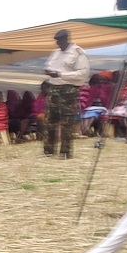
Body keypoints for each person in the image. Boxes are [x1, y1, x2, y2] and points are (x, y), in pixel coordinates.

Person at [42, 29, 90, 158]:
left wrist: (60, 74)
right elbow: (49, 65)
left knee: (66, 122)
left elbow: (82, 74)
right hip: (53, 88)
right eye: (57, 41)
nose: (58, 43)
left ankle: (65, 152)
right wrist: (49, 72)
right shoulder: (56, 53)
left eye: (60, 40)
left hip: (68, 89)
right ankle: (48, 151)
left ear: (66, 39)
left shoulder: (77, 53)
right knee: (50, 121)